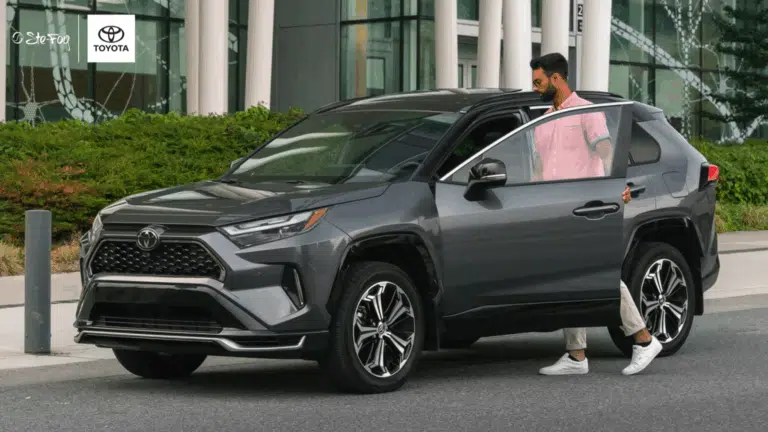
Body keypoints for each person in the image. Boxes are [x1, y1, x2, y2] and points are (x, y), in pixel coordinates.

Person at [528, 52, 663, 376]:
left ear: (556, 78)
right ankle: (576, 355)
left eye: (539, 81)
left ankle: (644, 340)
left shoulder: (586, 112)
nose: (535, 87)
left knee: (598, 276)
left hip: (587, 210)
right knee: (568, 278)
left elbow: (606, 151)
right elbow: (538, 169)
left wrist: (617, 186)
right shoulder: (542, 122)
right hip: (556, 211)